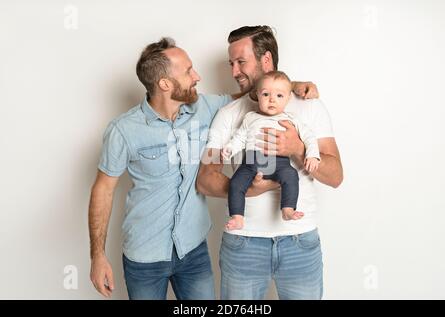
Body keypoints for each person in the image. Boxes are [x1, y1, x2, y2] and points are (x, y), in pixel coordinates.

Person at [88, 36, 319, 300]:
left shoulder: (205, 108)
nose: (197, 76)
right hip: (144, 255)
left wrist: (293, 87)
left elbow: (253, 95)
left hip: (193, 252)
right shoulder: (123, 130)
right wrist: (98, 256)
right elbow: (103, 190)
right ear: (164, 84)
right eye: (188, 71)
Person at [197, 25, 343, 300]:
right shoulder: (229, 114)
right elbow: (205, 178)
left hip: (300, 242)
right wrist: (247, 190)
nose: (234, 72)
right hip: (243, 245)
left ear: (266, 60)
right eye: (230, 63)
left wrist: (298, 149)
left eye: (241, 62)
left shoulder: (309, 107)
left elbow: (336, 176)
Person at [222, 71, 320, 230]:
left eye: (279, 96)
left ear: (288, 98)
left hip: (279, 163)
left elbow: (309, 137)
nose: (272, 99)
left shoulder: (290, 119)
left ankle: (288, 209)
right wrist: (230, 149)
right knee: (236, 183)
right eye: (266, 94)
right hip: (251, 162)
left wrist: (313, 156)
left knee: (291, 175)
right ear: (257, 96)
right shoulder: (250, 117)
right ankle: (237, 217)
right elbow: (240, 137)